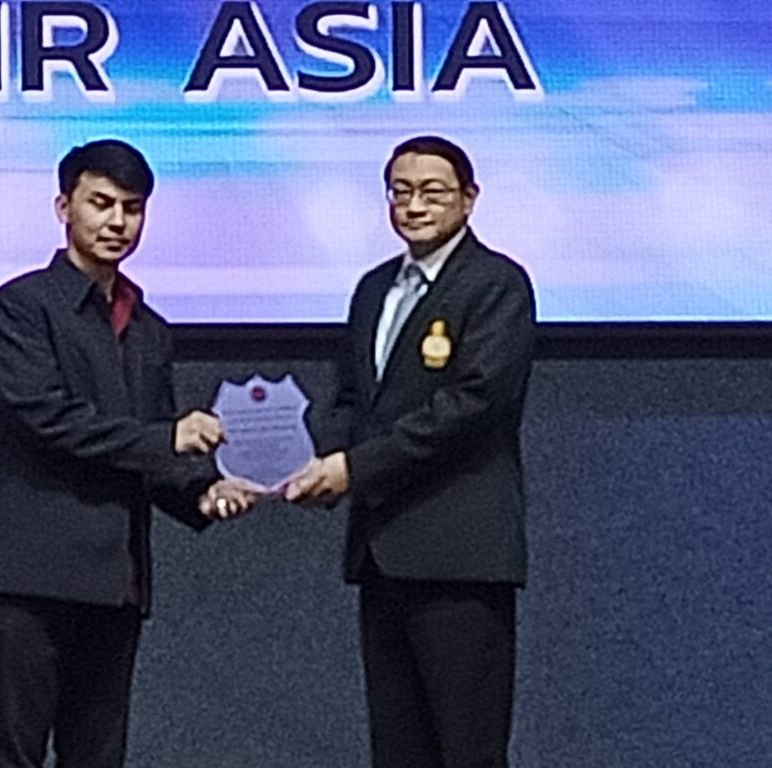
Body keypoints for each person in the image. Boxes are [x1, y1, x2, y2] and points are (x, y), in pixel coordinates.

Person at [0, 139, 253, 768]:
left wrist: (203, 491)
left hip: (115, 581)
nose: (117, 221)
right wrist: (168, 440)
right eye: (100, 203)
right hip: (32, 574)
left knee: (99, 757)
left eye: (132, 207)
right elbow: (46, 419)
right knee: (13, 753)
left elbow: (148, 446)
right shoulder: (21, 306)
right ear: (63, 207)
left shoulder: (148, 328)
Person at [287, 135, 535, 768]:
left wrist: (354, 469)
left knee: (467, 750)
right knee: (398, 750)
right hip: (382, 551)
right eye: (401, 192)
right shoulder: (375, 288)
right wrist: (322, 457)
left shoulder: (496, 284)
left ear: (469, 199)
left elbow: (472, 406)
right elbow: (351, 398)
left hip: (460, 556)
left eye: (432, 192)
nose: (414, 206)